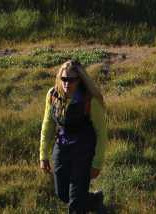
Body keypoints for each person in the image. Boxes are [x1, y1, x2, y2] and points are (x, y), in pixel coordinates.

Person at [39, 60, 109, 214]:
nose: (66, 83)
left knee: (75, 204)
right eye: (64, 79)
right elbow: (48, 124)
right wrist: (43, 155)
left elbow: (102, 133)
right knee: (62, 194)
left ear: (80, 80)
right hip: (62, 147)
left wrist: (97, 163)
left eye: (71, 79)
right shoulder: (52, 95)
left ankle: (82, 203)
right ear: (59, 78)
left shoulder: (90, 100)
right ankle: (94, 200)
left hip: (83, 151)